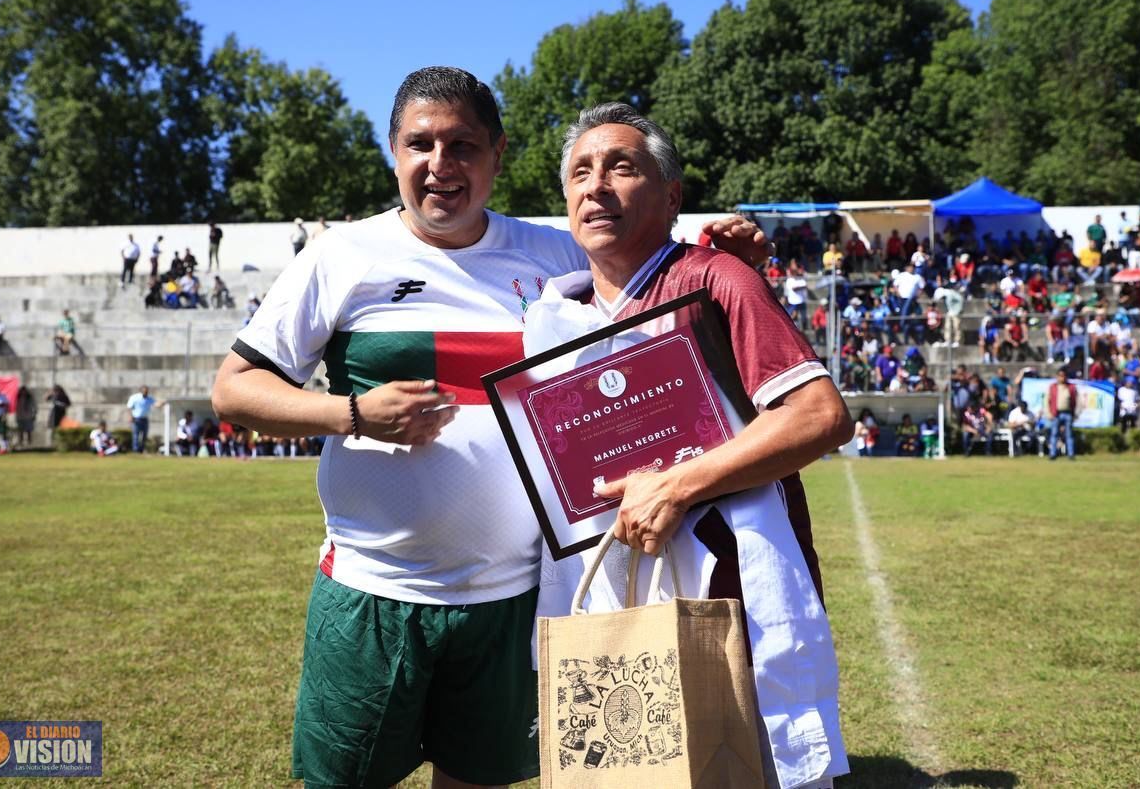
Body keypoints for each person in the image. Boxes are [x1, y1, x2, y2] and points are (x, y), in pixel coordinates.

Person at [209, 67, 769, 789]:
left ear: (497, 156)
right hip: (373, 590)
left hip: (510, 597)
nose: (440, 166)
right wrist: (351, 412)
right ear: (393, 151)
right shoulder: (341, 256)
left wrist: (723, 258)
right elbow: (234, 389)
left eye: (462, 146)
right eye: (420, 145)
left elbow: (657, 300)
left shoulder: (553, 256)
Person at [527, 102, 851, 788]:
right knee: (633, 762)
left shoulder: (715, 279)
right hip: (614, 582)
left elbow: (819, 415)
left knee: (737, 767)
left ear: (671, 194)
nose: (597, 185)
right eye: (581, 171)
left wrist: (674, 484)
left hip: (731, 589)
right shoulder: (556, 316)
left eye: (622, 166)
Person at [1046, 368, 1077, 459]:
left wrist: (1074, 413)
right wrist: (1049, 413)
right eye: (1060, 376)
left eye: (1063, 376)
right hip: (1056, 414)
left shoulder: (1071, 387)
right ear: (1057, 377)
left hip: (1067, 413)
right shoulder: (1053, 387)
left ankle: (1071, 454)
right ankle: (1053, 454)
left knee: (1069, 435)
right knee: (1054, 434)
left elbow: (1075, 401)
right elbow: (1047, 401)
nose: (1061, 378)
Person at [127, 386, 157, 454]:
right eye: (144, 391)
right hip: (136, 419)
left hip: (145, 419)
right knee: (136, 435)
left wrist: (163, 403)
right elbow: (129, 407)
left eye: (147, 392)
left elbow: (155, 404)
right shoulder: (135, 398)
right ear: (141, 391)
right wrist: (130, 416)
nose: (146, 393)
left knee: (144, 435)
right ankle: (135, 450)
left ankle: (141, 449)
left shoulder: (149, 398)